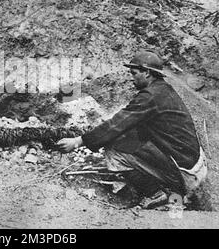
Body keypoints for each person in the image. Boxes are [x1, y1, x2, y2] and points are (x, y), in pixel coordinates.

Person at [57, 50, 208, 208]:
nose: (131, 78)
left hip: (186, 174)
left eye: (134, 73)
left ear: (147, 73)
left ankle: (156, 193)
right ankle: (168, 186)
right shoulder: (164, 90)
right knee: (129, 137)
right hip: (194, 165)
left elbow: (116, 124)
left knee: (114, 150)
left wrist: (78, 142)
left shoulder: (149, 97)